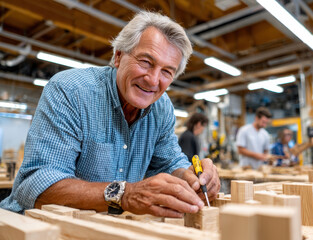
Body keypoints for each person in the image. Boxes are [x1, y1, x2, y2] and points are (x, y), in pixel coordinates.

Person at [0, 11, 220, 217]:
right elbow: (37, 187)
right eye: (145, 62)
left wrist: (192, 178)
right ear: (118, 56)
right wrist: (124, 194)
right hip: (31, 227)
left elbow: (170, 162)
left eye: (166, 72)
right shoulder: (70, 91)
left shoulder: (162, 108)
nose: (153, 80)